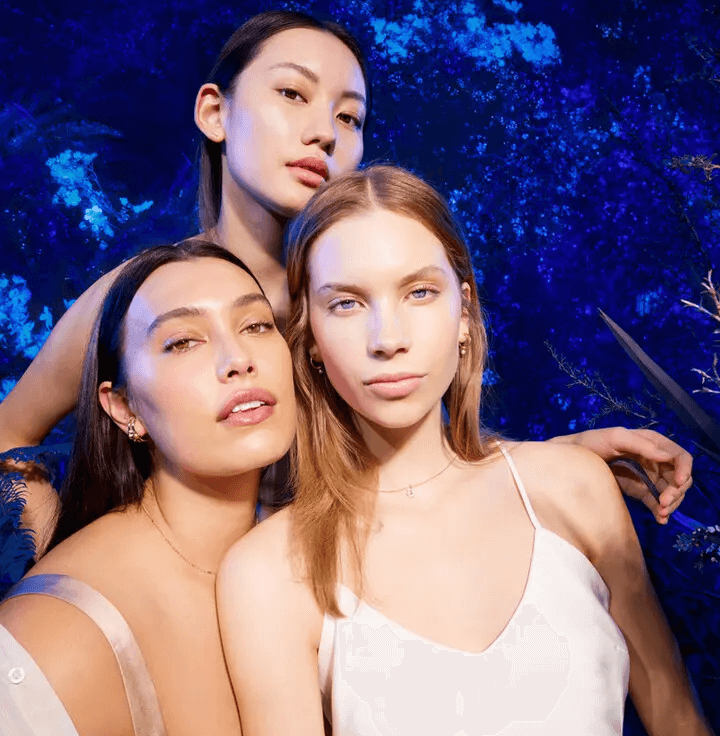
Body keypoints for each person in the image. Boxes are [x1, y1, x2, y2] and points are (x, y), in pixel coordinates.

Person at [0, 11, 690, 568]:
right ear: (215, 112)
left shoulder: (356, 308)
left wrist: (559, 461)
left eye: (349, 117)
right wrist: (53, 555)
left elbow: (415, 460)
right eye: (292, 94)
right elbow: (10, 433)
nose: (323, 133)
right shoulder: (144, 297)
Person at [217, 165, 713, 736]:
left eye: (419, 292)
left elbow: (677, 717)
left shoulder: (573, 487)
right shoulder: (269, 573)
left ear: (464, 311)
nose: (388, 339)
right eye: (347, 303)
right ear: (310, 338)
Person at [0, 240, 296, 736]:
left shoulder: (310, 562)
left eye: (256, 325)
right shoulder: (57, 639)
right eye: (183, 342)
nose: (238, 359)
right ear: (124, 408)